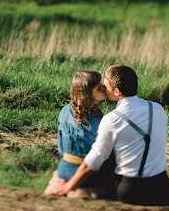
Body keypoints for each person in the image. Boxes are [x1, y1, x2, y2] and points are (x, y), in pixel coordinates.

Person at [45, 64, 169, 206]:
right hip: (162, 185)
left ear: (116, 91)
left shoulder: (111, 119)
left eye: (105, 83)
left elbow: (95, 159)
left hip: (131, 187)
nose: (103, 86)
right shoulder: (157, 108)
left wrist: (67, 186)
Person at [43, 70, 115, 199]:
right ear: (87, 94)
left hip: (64, 168)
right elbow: (103, 155)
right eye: (99, 87)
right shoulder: (99, 121)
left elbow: (61, 148)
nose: (104, 88)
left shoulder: (65, 111)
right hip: (86, 176)